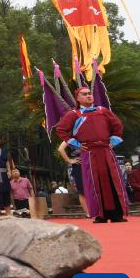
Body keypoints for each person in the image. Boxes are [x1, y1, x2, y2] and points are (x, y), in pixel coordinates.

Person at [55, 86, 128, 223]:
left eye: (90, 93)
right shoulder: (74, 114)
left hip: (106, 151)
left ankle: (117, 214)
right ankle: (100, 215)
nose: (89, 96)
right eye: (84, 94)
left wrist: (113, 140)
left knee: (113, 181)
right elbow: (61, 130)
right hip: (89, 153)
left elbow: (117, 125)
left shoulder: (103, 111)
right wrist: (76, 144)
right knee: (94, 183)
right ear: (78, 98)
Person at [57, 141, 89, 215]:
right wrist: (69, 160)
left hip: (90, 162)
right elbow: (60, 149)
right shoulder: (71, 138)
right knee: (82, 191)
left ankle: (93, 213)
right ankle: (89, 213)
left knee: (90, 189)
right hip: (79, 165)